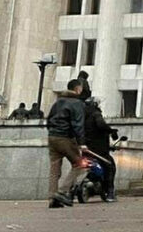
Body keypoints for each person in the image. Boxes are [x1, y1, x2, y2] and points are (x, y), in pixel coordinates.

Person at [45, 79, 86, 208]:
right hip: (65, 137)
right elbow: (78, 124)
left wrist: (52, 132)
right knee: (80, 164)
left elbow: (49, 119)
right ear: (77, 89)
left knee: (54, 168)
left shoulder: (58, 102)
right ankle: (62, 192)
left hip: (52, 136)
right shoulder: (77, 103)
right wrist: (81, 143)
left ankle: (52, 198)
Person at [84, 97, 118, 202]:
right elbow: (101, 125)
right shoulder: (96, 114)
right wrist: (111, 130)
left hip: (84, 148)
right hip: (99, 149)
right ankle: (110, 191)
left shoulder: (81, 116)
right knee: (109, 166)